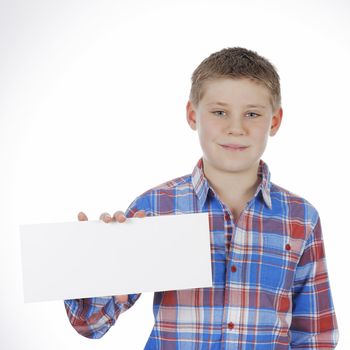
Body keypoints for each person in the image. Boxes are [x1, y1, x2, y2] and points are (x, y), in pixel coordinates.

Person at [64, 47, 339, 348]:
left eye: (252, 114)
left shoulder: (301, 218)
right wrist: (91, 265)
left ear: (274, 121)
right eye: (219, 112)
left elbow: (315, 335)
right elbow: (89, 325)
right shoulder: (155, 208)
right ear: (193, 115)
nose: (236, 128)